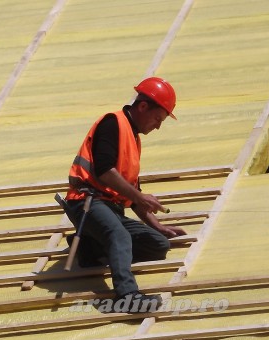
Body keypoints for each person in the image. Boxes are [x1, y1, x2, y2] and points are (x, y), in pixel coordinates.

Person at [64, 77, 186, 314]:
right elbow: (104, 171)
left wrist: (158, 226)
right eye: (157, 118)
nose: (158, 126)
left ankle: (88, 247)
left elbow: (132, 194)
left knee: (158, 245)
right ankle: (128, 296)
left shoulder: (133, 138)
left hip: (110, 208)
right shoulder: (113, 123)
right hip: (86, 202)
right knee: (118, 235)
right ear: (142, 107)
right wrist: (140, 199)